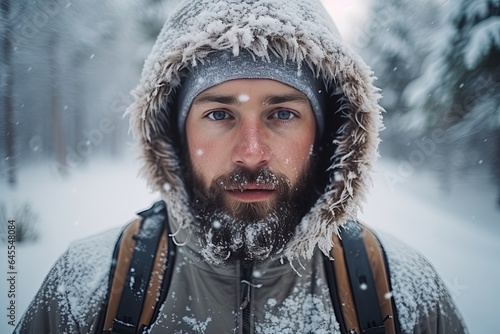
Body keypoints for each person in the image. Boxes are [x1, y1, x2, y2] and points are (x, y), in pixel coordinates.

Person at [15, 0, 468, 333]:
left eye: (283, 114)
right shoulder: (86, 287)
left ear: (328, 135)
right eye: (219, 114)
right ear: (175, 135)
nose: (251, 153)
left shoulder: (404, 295)